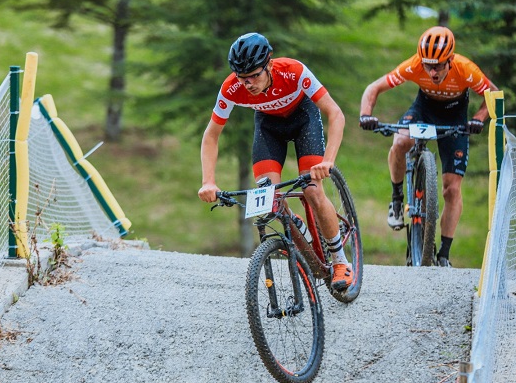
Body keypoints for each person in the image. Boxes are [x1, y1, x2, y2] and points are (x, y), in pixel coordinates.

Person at [197, 32, 353, 290]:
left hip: (303, 119)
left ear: (269, 63)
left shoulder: (294, 71)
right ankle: (297, 225)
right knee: (269, 201)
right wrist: (208, 181)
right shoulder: (231, 88)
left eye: (254, 75)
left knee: (312, 190)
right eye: (242, 77)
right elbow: (211, 136)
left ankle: (340, 261)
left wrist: (328, 161)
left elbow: (335, 113)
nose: (248, 83)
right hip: (269, 127)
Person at [359, 26, 499, 267]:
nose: (432, 72)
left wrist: (478, 118)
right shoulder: (414, 65)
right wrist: (365, 114)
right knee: (401, 141)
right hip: (423, 110)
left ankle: (444, 254)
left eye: (439, 66)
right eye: (428, 66)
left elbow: (493, 94)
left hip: (455, 117)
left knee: (451, 189)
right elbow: (374, 88)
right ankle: (396, 199)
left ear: (450, 60)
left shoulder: (466, 69)